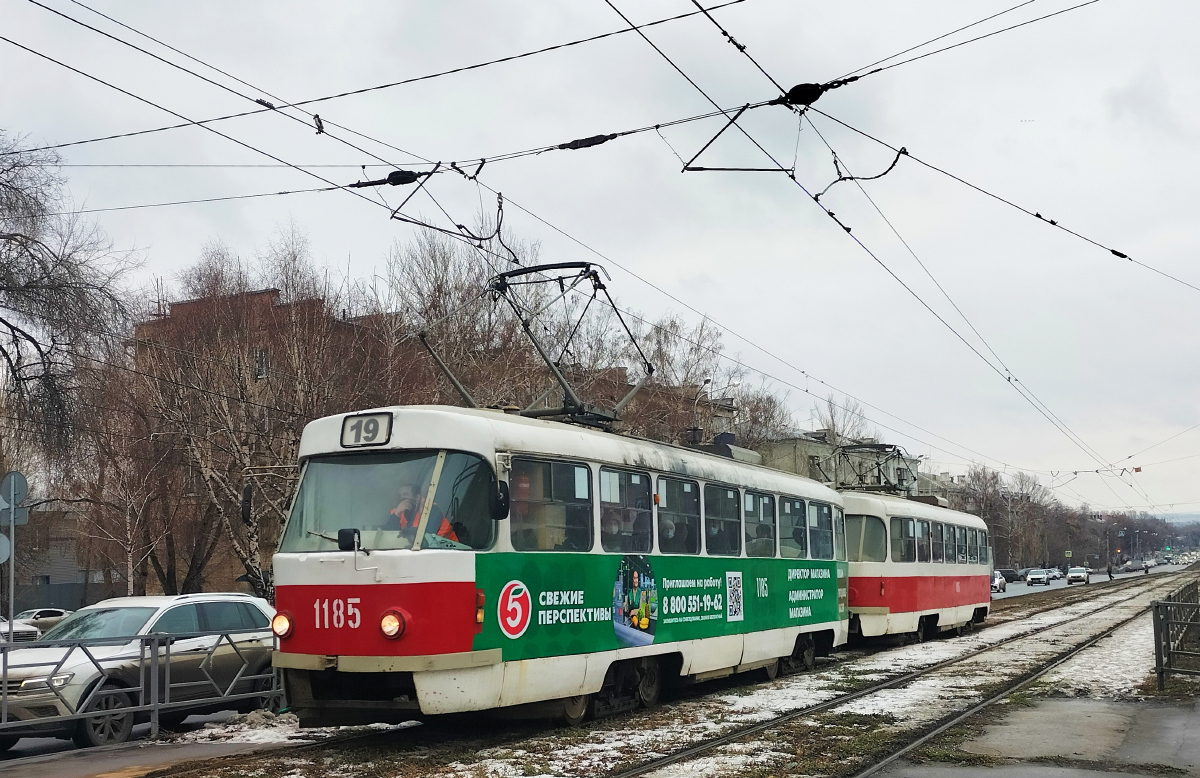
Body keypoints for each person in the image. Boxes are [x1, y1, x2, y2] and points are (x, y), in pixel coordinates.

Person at [388, 480, 458, 542]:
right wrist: (396, 514)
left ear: (417, 497)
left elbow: (427, 536)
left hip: (449, 551)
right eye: (399, 495)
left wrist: (406, 532)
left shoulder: (431, 509)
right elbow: (387, 537)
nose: (401, 498)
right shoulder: (398, 512)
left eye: (405, 494)